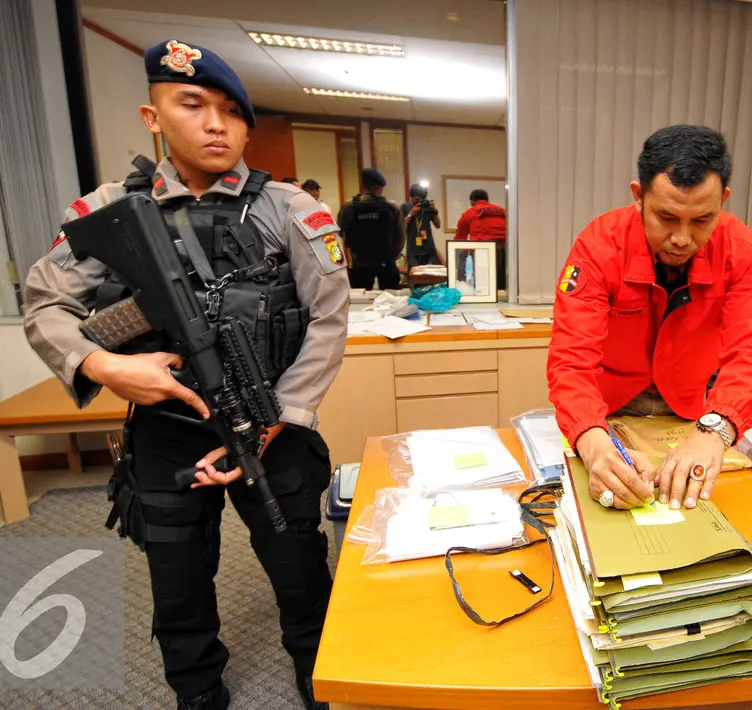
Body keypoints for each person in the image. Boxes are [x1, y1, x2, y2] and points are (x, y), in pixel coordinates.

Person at [22, 39, 346, 710]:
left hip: (271, 428)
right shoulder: (108, 211)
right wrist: (104, 363)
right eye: (192, 105)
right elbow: (46, 301)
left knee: (301, 575)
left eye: (232, 111)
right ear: (152, 115)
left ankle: (321, 690)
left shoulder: (288, 210)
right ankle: (197, 696)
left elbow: (327, 320)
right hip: (167, 432)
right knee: (177, 586)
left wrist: (282, 416)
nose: (215, 124)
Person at [548, 124, 752, 512]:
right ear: (639, 196)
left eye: (702, 220)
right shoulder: (599, 246)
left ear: (723, 199)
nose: (682, 239)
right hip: (609, 411)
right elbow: (571, 359)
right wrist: (592, 442)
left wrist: (715, 432)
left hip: (693, 412)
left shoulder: (743, 250)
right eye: (667, 218)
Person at [338, 168, 404, 290]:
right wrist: (393, 256)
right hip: (386, 261)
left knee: (360, 302)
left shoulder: (348, 206)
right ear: (381, 187)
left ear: (362, 184)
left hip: (360, 262)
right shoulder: (391, 206)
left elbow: (341, 232)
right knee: (391, 300)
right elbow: (400, 236)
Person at [454, 188, 508, 290]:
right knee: (502, 281)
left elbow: (459, 239)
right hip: (506, 249)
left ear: (471, 201)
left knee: (483, 283)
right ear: (487, 200)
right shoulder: (502, 211)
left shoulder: (470, 213)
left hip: (483, 248)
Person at [402, 184, 443, 266]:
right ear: (412, 197)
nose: (420, 201)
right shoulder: (405, 207)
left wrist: (434, 211)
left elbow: (438, 225)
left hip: (429, 250)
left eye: (422, 199)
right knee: (415, 276)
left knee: (430, 277)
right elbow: (402, 227)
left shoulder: (426, 206)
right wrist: (411, 213)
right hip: (413, 251)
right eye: (417, 199)